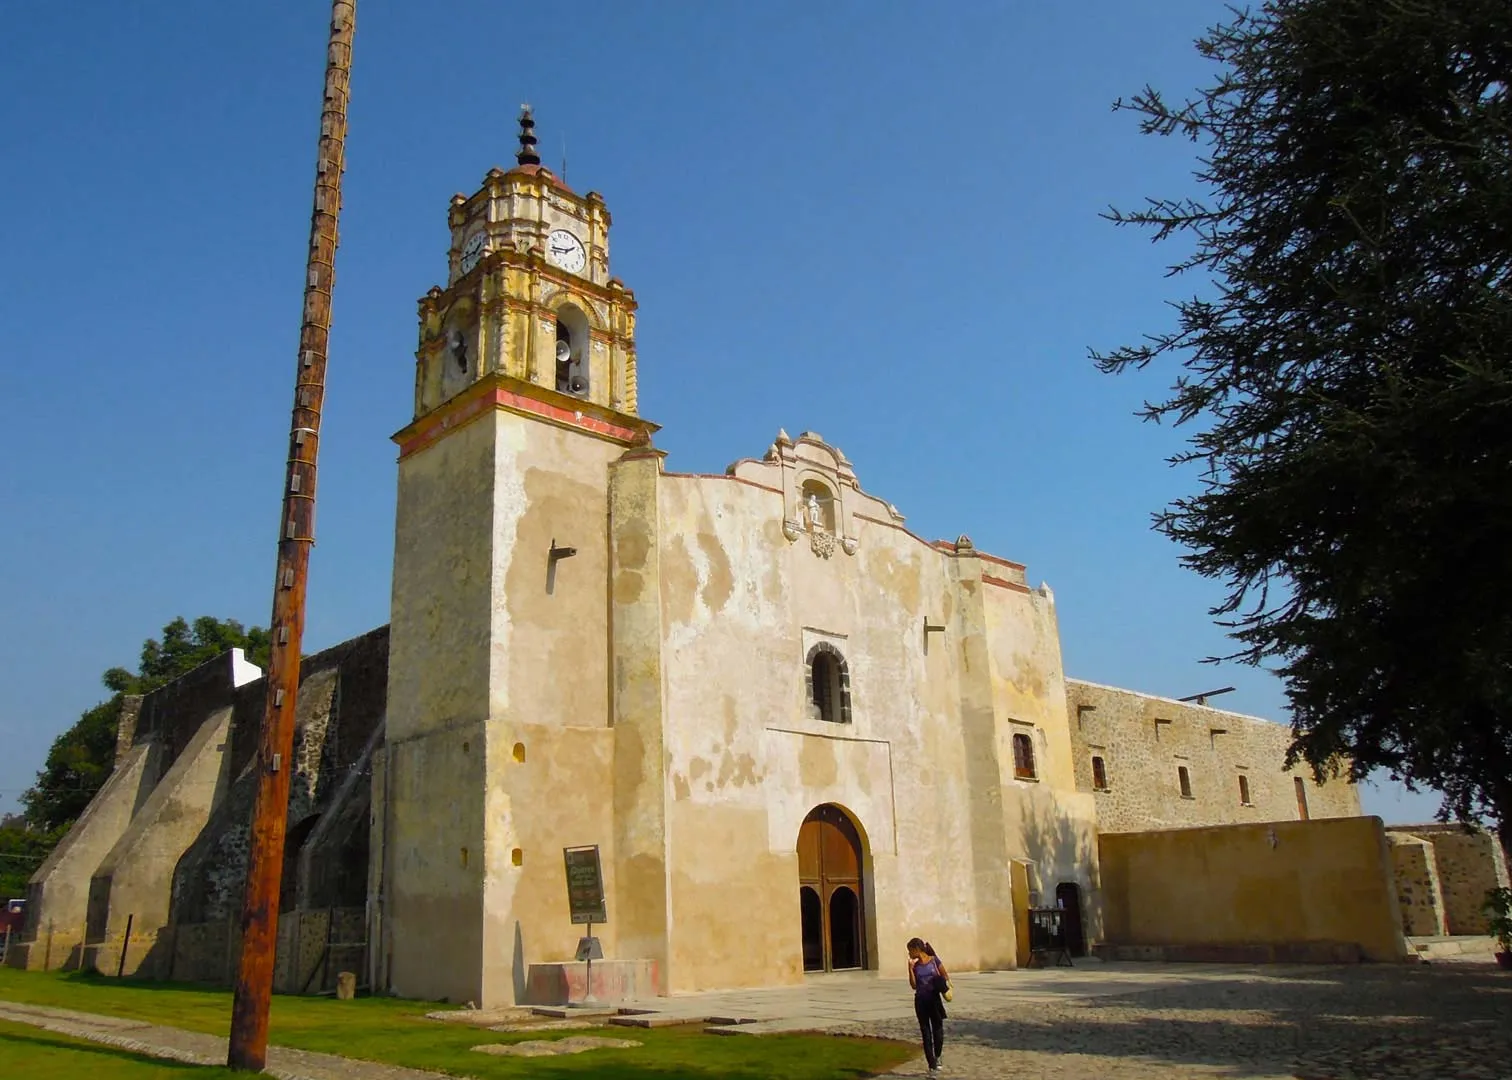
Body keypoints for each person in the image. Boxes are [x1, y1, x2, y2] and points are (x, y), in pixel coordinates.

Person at [906, 937, 949, 1075]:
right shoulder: (916, 965)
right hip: (921, 1001)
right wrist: (910, 970)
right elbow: (913, 985)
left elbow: (945, 976)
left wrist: (940, 984)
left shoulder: (934, 961)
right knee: (925, 1032)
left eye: (910, 951)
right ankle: (931, 1064)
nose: (909, 954)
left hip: (934, 1000)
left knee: (938, 1030)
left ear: (916, 949)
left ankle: (938, 1055)